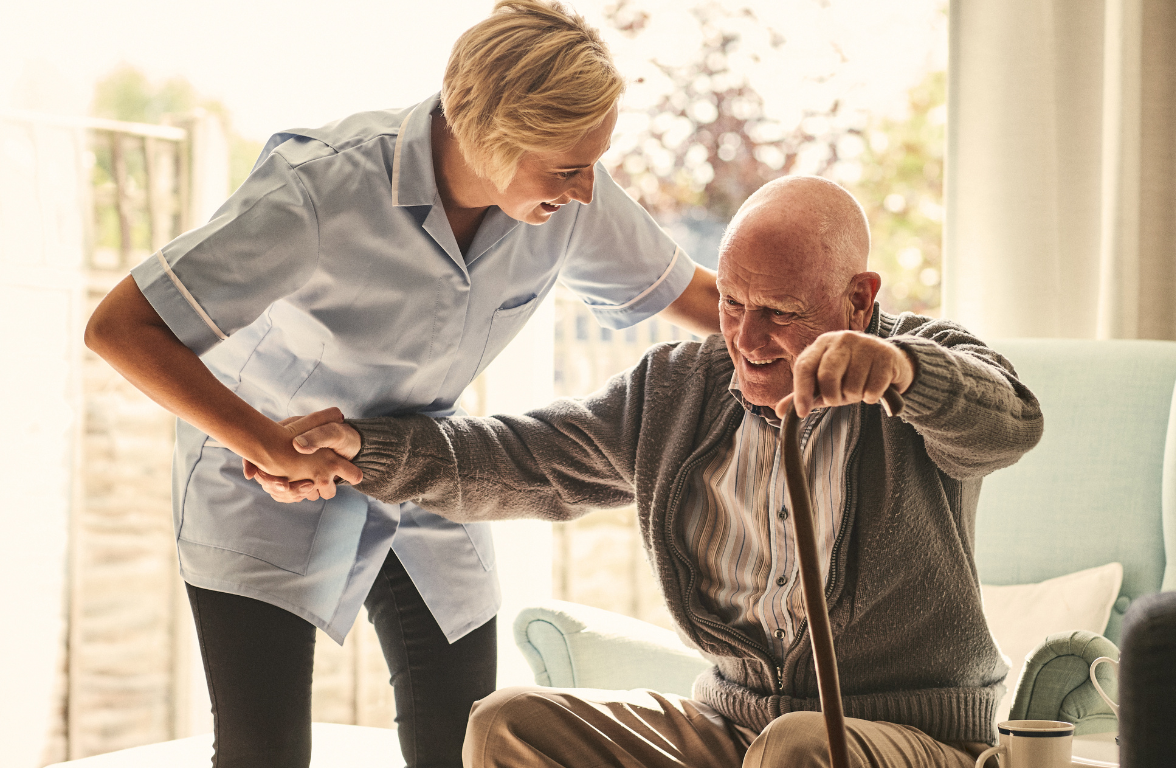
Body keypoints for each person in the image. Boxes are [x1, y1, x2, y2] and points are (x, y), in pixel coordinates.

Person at [82, 2, 722, 766]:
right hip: (261, 479)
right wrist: (265, 441)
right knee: (264, 752)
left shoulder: (566, 196)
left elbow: (711, 303)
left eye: (593, 163)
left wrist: (853, 341)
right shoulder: (319, 190)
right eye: (567, 168)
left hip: (423, 470)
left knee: (465, 742)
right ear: (490, 132)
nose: (586, 190)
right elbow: (120, 327)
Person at [268, 176, 1045, 767]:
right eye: (733, 302)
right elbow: (523, 458)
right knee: (504, 724)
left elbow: (1009, 424)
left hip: (912, 738)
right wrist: (363, 450)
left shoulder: (920, 364)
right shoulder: (679, 390)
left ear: (858, 297)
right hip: (734, 728)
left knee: (798, 748)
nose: (747, 335)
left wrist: (903, 371)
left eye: (780, 311)